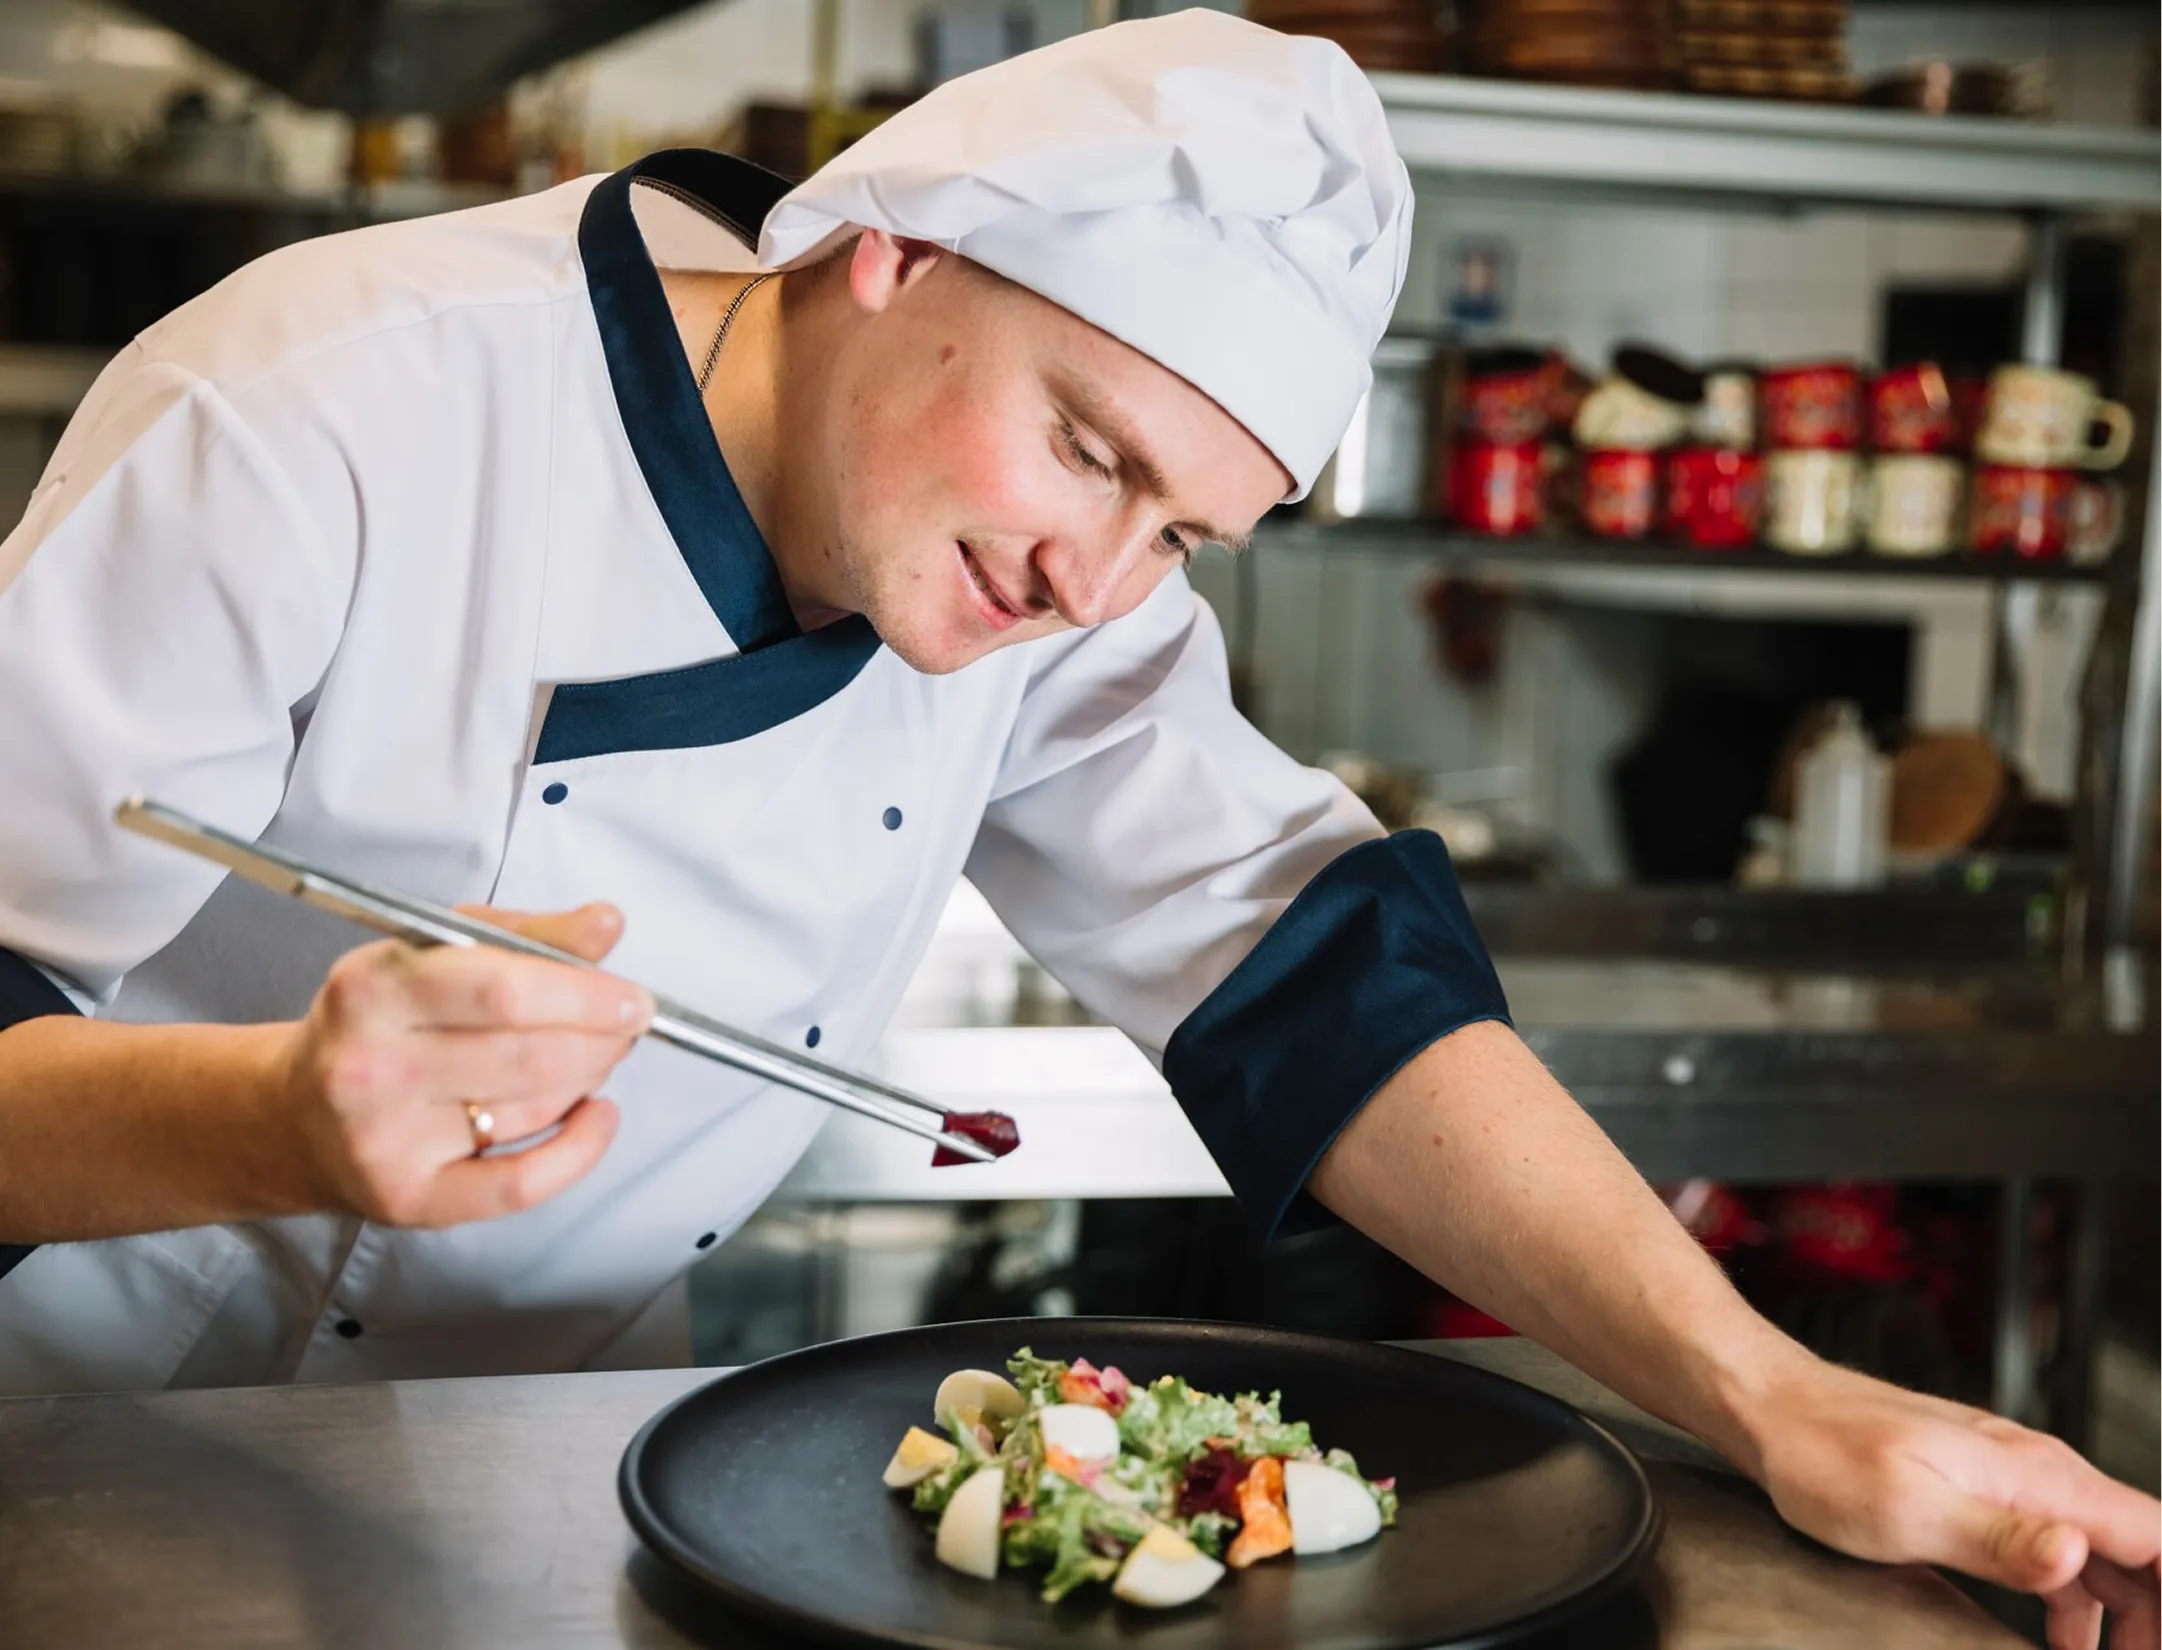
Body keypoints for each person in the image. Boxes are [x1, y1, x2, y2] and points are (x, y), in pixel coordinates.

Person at [0, 12, 2151, 1642]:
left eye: (1186, 530)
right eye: (1086, 451)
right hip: (70, 1460)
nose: (1100, 584)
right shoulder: (318, 414)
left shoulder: (1056, 591)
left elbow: (1315, 979)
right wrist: (283, 1113)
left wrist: (1779, 1405)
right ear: (884, 252)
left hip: (536, 1479)